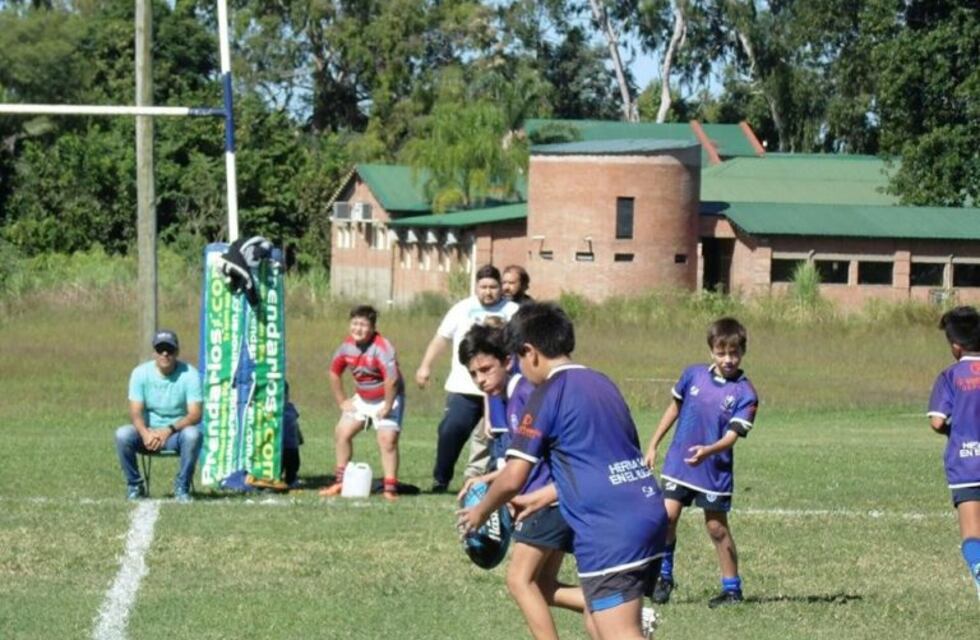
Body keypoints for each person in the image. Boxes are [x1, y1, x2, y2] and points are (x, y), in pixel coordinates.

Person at [458, 303, 667, 640]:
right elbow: (604, 460)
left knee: (619, 633)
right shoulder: (603, 383)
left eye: (519, 359)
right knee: (597, 624)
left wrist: (480, 513)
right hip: (645, 510)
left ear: (530, 352)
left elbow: (513, 477)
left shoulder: (547, 394)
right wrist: (543, 498)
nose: (522, 370)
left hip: (609, 528)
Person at [456, 323, 587, 639]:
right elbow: (523, 459)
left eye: (486, 369)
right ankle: (620, 607)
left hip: (546, 502)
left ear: (508, 360)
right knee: (542, 585)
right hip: (552, 499)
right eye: (473, 374)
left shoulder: (526, 393)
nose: (480, 379)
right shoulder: (509, 396)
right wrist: (485, 478)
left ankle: (621, 607)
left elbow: (529, 467)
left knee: (518, 580)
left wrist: (484, 508)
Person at [643, 317, 759, 608]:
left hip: (712, 470)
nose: (728, 359)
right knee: (666, 519)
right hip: (679, 463)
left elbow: (732, 437)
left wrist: (709, 450)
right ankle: (664, 577)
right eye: (721, 353)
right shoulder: (693, 375)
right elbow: (674, 409)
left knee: (716, 529)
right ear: (711, 352)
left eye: (734, 353)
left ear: (742, 352)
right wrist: (653, 444)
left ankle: (732, 590)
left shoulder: (746, 393)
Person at [416, 264, 518, 493]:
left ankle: (494, 478)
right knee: (451, 430)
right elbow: (441, 338)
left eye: (493, 287)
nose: (488, 292)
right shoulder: (462, 308)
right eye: (483, 287)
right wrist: (425, 366)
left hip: (499, 388)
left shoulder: (512, 311)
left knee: (497, 434)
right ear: (476, 287)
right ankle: (440, 479)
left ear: (500, 288)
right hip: (464, 387)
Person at [320, 305, 405, 502]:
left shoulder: (383, 348)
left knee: (387, 440)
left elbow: (392, 380)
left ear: (373, 328)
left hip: (388, 397)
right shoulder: (346, 347)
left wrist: (387, 405)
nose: (358, 329)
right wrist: (342, 401)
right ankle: (340, 482)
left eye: (363, 325)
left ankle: (390, 488)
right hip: (363, 399)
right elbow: (334, 372)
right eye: (355, 324)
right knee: (342, 433)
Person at [114, 329, 203, 502]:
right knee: (122, 434)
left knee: (193, 435)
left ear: (176, 352)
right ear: (154, 352)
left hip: (176, 435)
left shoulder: (190, 374)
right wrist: (146, 433)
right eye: (160, 349)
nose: (165, 354)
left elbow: (195, 415)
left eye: (169, 350)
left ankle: (182, 486)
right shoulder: (140, 373)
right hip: (147, 434)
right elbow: (135, 411)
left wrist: (168, 430)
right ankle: (135, 485)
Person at [928, 305, 980, 599]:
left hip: (967, 464)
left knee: (973, 536)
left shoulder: (950, 376)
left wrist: (956, 430)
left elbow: (937, 421)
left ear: (956, 346)